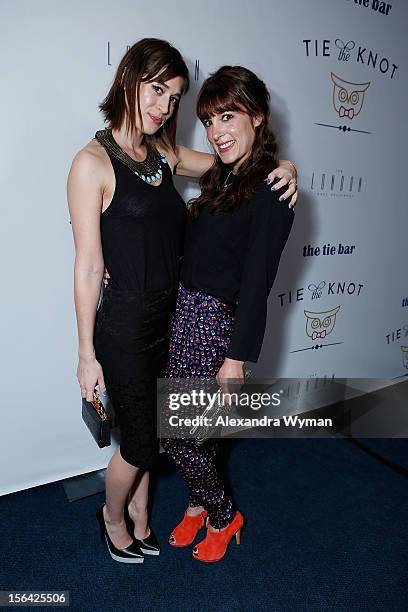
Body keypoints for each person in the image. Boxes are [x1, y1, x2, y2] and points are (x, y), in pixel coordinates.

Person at [68, 38, 297, 564]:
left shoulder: (163, 155)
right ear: (129, 79)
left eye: (173, 97)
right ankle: (118, 518)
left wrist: (283, 165)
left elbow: (232, 166)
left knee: (174, 430)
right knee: (151, 439)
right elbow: (87, 265)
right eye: (156, 90)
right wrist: (85, 353)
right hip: (132, 324)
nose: (164, 107)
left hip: (180, 320)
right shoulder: (93, 162)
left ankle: (154, 517)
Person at [161, 65, 295, 563]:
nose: (217, 132)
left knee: (178, 434)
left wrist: (237, 359)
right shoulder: (221, 177)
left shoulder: (272, 191)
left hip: (216, 325)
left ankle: (223, 514)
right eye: (209, 121)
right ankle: (197, 503)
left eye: (228, 116)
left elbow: (259, 281)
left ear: (256, 117)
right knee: (196, 431)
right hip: (183, 316)